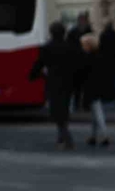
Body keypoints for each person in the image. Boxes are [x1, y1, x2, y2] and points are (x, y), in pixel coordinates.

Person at [31, 17, 81, 150]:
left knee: (56, 111)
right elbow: (77, 65)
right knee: (63, 110)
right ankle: (61, 137)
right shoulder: (69, 47)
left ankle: (65, 137)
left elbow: (39, 64)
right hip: (68, 83)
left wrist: (33, 76)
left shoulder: (47, 48)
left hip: (53, 82)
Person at [84, 17, 115, 147]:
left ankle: (105, 135)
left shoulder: (90, 57)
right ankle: (93, 136)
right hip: (100, 83)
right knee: (95, 112)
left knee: (97, 111)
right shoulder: (98, 55)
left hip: (93, 87)